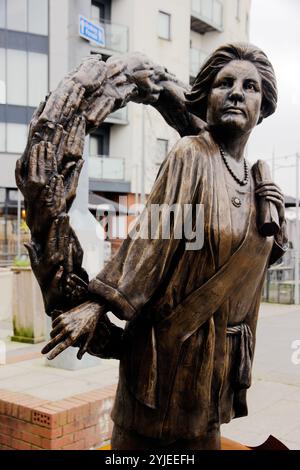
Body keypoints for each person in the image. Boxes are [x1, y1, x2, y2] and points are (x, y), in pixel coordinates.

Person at [42, 43, 288, 450]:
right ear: (204, 96)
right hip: (170, 352)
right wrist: (98, 303)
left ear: (263, 108)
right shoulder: (190, 155)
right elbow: (154, 238)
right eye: (224, 83)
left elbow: (249, 266)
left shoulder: (256, 180)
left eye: (250, 86)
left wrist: (274, 231)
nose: (237, 92)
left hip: (219, 364)